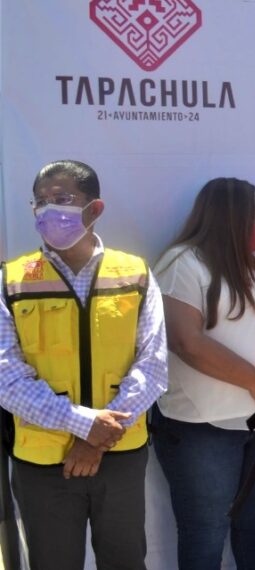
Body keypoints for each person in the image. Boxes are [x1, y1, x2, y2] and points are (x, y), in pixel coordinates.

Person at [0, 160, 167, 569]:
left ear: (94, 209)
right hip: (42, 465)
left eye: (62, 199)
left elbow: (154, 365)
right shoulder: (13, 279)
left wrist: (95, 438)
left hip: (119, 457)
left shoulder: (135, 273)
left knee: (126, 561)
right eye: (39, 202)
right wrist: (83, 425)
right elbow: (7, 377)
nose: (47, 210)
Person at [151, 177, 255, 569]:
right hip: (201, 429)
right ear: (229, 214)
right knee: (205, 536)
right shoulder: (182, 262)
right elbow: (187, 342)